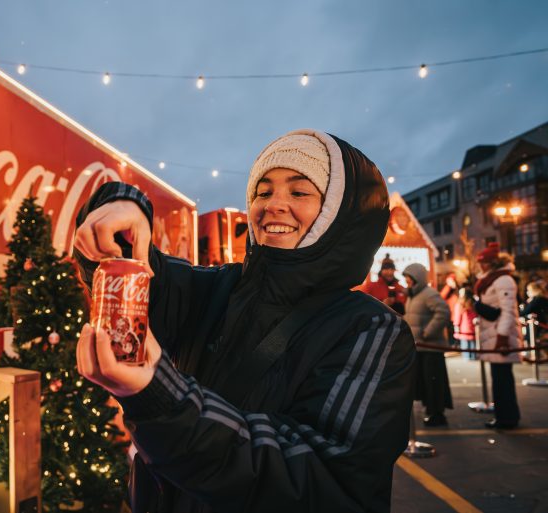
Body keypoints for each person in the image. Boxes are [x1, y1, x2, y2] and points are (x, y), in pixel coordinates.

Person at [73, 129, 416, 512]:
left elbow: (318, 481)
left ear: (339, 215)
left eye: (299, 192)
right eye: (263, 191)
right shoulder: (219, 287)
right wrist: (125, 205)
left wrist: (162, 398)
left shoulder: (371, 330)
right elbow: (150, 275)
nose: (273, 205)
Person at [474, 242, 522, 429]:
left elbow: (508, 311)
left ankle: (508, 418)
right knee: (499, 379)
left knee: (503, 380)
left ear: (492, 263)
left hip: (499, 336)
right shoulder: (492, 279)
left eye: (484, 262)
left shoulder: (503, 280)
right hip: (492, 333)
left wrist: (502, 338)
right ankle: (503, 416)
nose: (481, 266)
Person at [402, 263, 453, 426]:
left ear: (417, 278)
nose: (407, 281)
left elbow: (443, 312)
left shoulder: (428, 294)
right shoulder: (413, 295)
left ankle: (437, 413)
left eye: (409, 278)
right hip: (420, 347)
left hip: (431, 347)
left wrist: (427, 332)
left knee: (434, 382)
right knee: (426, 381)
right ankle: (431, 410)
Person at [452, 287, 477, 360]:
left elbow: (457, 317)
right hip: (473, 328)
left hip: (464, 329)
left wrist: (456, 327)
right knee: (473, 349)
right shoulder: (474, 303)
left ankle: (468, 359)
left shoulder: (460, 304)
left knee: (466, 350)